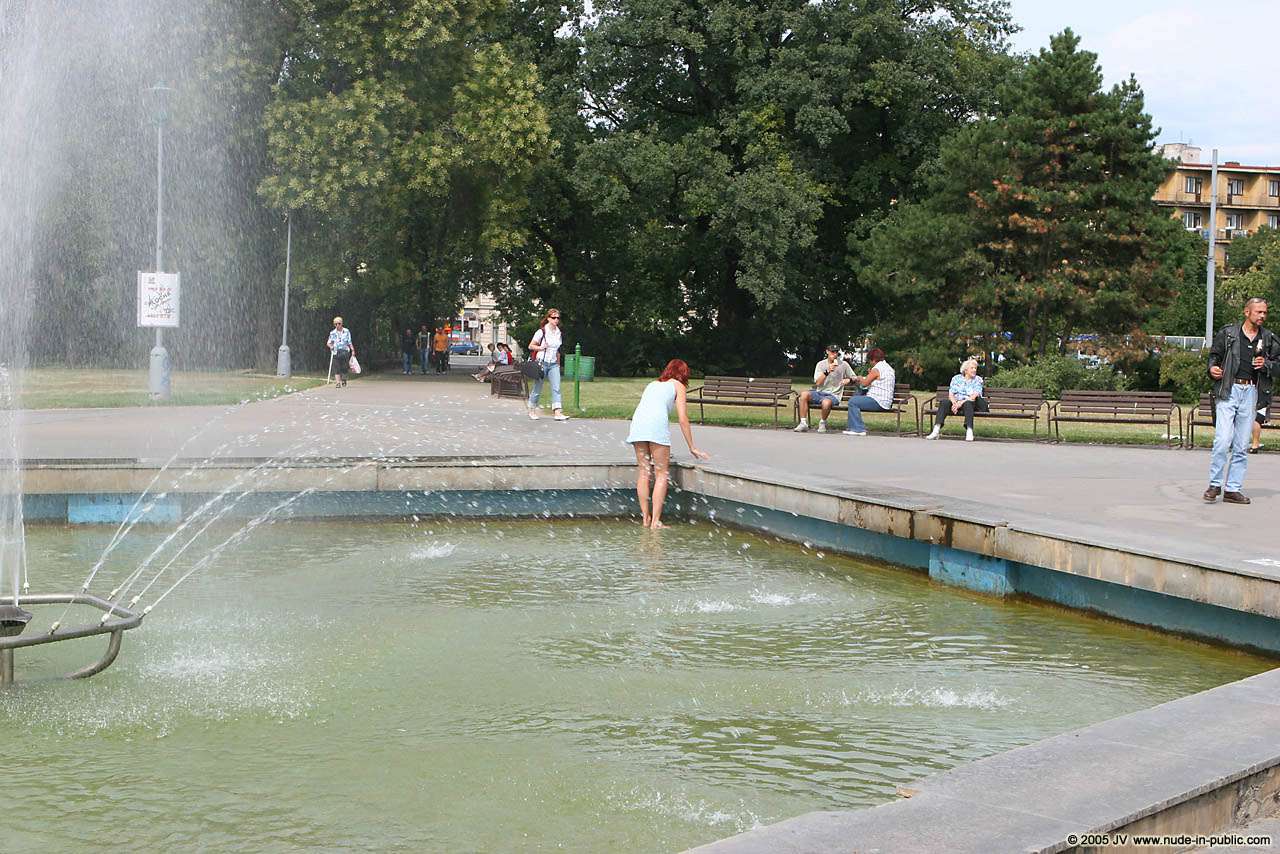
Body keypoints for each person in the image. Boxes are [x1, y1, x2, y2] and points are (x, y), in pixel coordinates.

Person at [1205, 298, 1279, 504]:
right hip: (1229, 389)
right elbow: (1213, 356)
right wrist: (1212, 369)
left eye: (1265, 312)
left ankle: (1232, 489)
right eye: (1258, 312)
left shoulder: (1269, 338)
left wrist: (1267, 364)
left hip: (1252, 392)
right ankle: (1214, 484)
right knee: (1222, 440)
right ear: (1247, 312)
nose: (1262, 316)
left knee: (1241, 445)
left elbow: (1278, 366)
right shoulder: (1229, 333)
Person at [626, 359, 711, 528]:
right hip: (656, 426)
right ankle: (656, 521)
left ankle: (645, 519)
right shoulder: (678, 386)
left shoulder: (652, 384)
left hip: (637, 425)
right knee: (661, 474)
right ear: (683, 374)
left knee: (644, 472)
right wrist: (692, 447)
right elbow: (682, 418)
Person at [794, 344, 855, 433]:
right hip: (820, 392)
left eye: (836, 352)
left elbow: (855, 377)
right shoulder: (821, 364)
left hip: (834, 395)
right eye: (832, 352)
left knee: (826, 402)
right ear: (827, 352)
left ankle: (822, 423)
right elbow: (818, 383)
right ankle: (803, 423)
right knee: (804, 395)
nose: (834, 354)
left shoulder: (843, 365)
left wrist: (849, 380)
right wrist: (827, 371)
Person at [926, 358, 987, 442]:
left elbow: (974, 395)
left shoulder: (978, 380)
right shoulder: (956, 378)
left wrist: (960, 403)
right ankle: (936, 430)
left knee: (968, 403)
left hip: (971, 403)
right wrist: (954, 403)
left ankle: (969, 431)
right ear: (965, 370)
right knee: (944, 402)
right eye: (972, 368)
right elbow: (951, 394)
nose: (974, 370)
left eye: (975, 368)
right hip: (957, 402)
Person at [842, 347, 896, 436]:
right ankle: (852, 426)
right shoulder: (888, 368)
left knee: (853, 401)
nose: (870, 363)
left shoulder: (877, 369)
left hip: (878, 401)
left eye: (870, 361)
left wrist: (859, 378)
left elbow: (864, 383)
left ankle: (858, 429)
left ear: (873, 360)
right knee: (857, 395)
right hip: (886, 401)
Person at [527, 309, 569, 420]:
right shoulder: (542, 331)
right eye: (554, 317)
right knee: (538, 387)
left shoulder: (558, 332)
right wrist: (541, 347)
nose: (556, 320)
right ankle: (531, 410)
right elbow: (531, 346)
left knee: (557, 388)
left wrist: (558, 364)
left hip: (553, 364)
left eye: (558, 318)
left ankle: (557, 413)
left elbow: (557, 350)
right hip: (542, 362)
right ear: (548, 318)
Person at [327, 316, 355, 387]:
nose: (337, 325)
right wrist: (331, 346)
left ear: (342, 323)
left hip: (345, 351)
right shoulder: (332, 333)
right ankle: (338, 383)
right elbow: (328, 343)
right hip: (336, 351)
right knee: (337, 367)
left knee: (344, 367)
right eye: (335, 324)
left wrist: (353, 350)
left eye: (339, 323)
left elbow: (349, 342)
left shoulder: (346, 331)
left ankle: (344, 379)